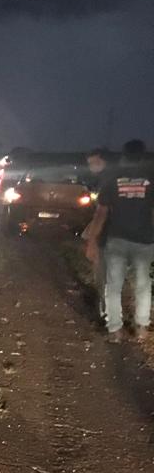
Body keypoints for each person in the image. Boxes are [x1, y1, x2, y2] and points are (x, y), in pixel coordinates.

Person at [91, 140, 154, 343]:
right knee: (143, 285)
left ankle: (115, 331)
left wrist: (92, 241)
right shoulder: (151, 178)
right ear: (142, 156)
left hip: (117, 239)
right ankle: (142, 328)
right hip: (144, 240)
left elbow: (101, 213)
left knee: (113, 286)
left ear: (124, 156)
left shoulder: (113, 178)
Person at [81, 147, 114, 324]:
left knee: (104, 277)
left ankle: (107, 317)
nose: (90, 167)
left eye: (92, 163)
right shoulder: (114, 178)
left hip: (107, 235)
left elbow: (101, 214)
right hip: (124, 235)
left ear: (102, 161)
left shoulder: (107, 181)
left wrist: (92, 240)